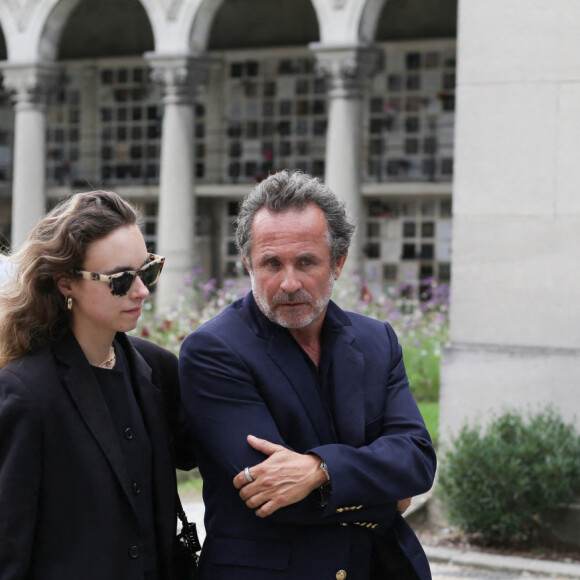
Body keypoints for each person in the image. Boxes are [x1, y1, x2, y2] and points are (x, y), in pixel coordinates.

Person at [179, 170, 437, 579]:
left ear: (338, 261)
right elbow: (273, 495)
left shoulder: (376, 339)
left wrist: (321, 470)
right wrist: (387, 493)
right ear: (247, 262)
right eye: (271, 263)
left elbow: (418, 461)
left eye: (306, 262)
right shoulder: (213, 350)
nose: (289, 282)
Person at [0, 190, 195, 579]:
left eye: (148, 271)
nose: (141, 291)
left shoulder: (158, 369)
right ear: (65, 283)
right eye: (121, 280)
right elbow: (8, 547)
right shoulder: (24, 392)